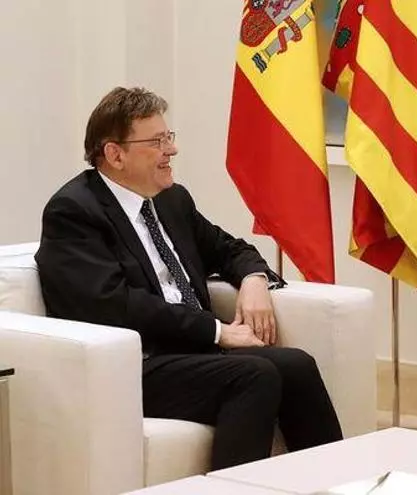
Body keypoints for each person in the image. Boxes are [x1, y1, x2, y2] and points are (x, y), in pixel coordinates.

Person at [35, 87, 342, 469]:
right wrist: (216, 331)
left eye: (169, 137)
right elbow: (112, 304)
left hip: (190, 353)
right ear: (115, 154)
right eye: (156, 142)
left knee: (296, 366)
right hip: (138, 363)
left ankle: (338, 482)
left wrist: (254, 280)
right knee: (254, 375)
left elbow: (229, 249)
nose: (172, 150)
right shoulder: (74, 211)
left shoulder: (171, 200)